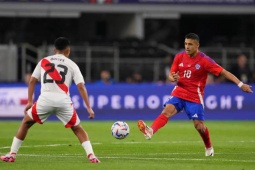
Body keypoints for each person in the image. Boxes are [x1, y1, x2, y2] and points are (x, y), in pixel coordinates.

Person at [137, 33, 253, 157]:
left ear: (197, 45)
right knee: (167, 111)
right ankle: (151, 131)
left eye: (190, 44)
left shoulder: (204, 60)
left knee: (199, 126)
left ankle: (208, 146)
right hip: (179, 92)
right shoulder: (179, 56)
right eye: (186, 44)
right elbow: (171, 75)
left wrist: (241, 85)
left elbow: (224, 72)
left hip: (194, 97)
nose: (187, 47)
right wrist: (173, 77)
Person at [1, 37, 100, 163]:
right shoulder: (72, 64)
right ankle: (91, 155)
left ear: (54, 50)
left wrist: (30, 102)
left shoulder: (44, 61)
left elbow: (32, 81)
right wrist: (89, 107)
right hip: (63, 101)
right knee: (77, 128)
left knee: (26, 123)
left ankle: (12, 154)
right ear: (68, 51)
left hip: (45, 99)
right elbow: (81, 86)